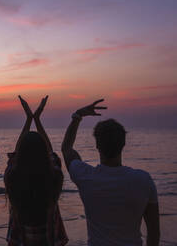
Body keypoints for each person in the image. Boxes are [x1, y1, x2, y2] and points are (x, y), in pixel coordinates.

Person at [61, 99, 160, 246]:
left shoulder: (86, 177)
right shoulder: (143, 180)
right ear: (123, 144)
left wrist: (78, 115)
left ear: (97, 145)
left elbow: (67, 148)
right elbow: (154, 232)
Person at [4, 96, 68, 246]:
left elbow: (16, 156)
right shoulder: (53, 178)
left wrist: (28, 119)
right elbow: (51, 154)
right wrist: (37, 118)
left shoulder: (13, 178)